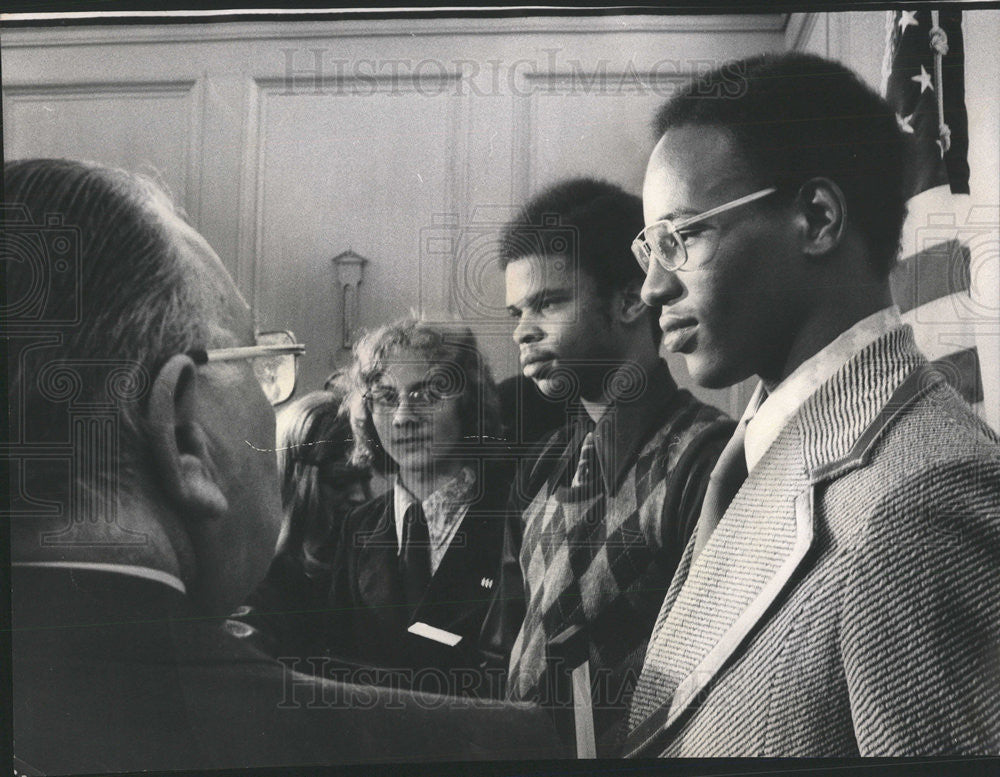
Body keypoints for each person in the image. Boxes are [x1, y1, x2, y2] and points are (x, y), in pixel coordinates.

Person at [6, 159, 562, 773]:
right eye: (263, 365)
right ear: (185, 432)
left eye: (430, 393)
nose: (404, 416)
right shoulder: (506, 750)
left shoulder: (527, 515)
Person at [624, 52, 1000, 757]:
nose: (650, 288)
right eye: (649, 245)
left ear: (818, 218)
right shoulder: (758, 451)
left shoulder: (919, 501)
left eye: (678, 239)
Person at [485, 177, 735, 752]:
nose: (523, 331)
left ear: (629, 299)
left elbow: (719, 687)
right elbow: (505, 650)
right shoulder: (542, 464)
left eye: (549, 303)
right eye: (518, 311)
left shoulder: (707, 460)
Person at [315, 318, 512, 697]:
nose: (403, 417)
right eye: (386, 398)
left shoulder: (513, 513)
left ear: (469, 403)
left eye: (426, 395)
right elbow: (336, 663)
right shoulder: (358, 527)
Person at [233, 387, 372, 657]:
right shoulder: (256, 581)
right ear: (295, 482)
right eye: (339, 482)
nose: (359, 497)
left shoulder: (372, 567)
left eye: (365, 479)